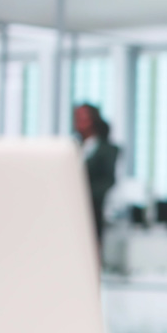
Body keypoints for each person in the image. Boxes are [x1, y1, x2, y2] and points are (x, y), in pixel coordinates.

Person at [74, 103, 119, 254]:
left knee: (91, 250)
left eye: (83, 118)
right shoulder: (72, 147)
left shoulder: (108, 149)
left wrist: (84, 194)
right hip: (71, 208)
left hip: (93, 208)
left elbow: (109, 180)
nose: (79, 122)